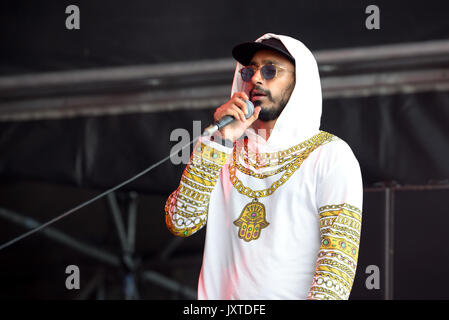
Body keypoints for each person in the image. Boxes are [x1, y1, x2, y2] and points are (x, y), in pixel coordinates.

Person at [165, 33, 363, 300]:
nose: (257, 79)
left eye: (271, 70)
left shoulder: (330, 154)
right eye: (249, 72)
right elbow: (181, 222)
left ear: (298, 82)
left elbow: (336, 268)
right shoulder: (220, 150)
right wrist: (220, 141)